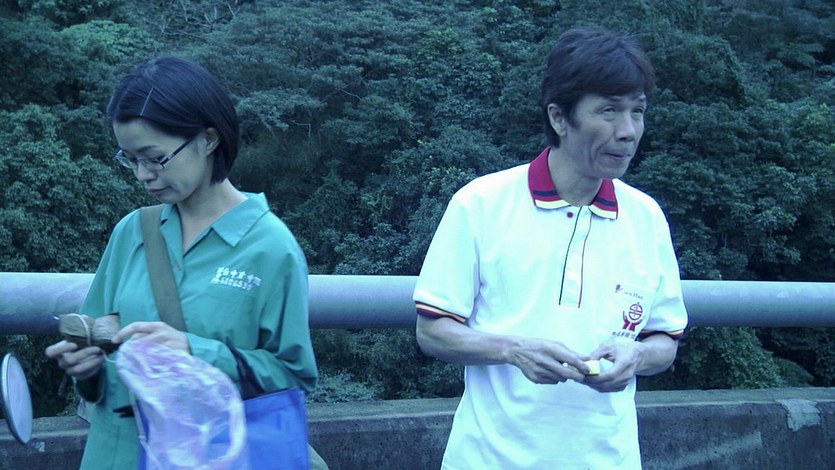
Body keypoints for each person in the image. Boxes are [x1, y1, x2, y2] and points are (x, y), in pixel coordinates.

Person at [413, 26, 688, 469]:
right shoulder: (480, 203)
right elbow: (432, 331)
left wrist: (636, 355)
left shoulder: (646, 217)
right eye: (609, 111)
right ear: (559, 118)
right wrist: (513, 349)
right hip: (489, 459)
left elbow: (664, 340)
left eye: (637, 111)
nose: (628, 131)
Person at [45, 57, 321, 468]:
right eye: (130, 159)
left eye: (154, 158)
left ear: (207, 140)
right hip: (116, 453)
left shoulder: (270, 248)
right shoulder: (133, 231)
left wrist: (195, 352)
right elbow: (99, 344)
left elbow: (292, 376)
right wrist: (85, 366)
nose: (142, 175)